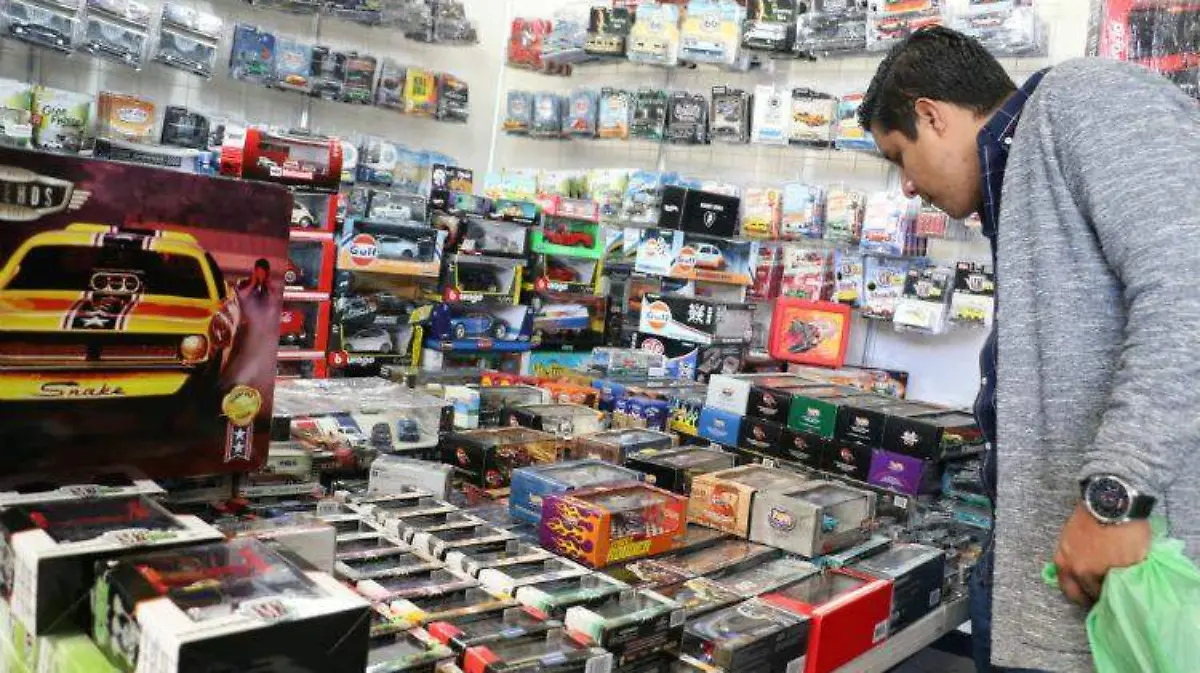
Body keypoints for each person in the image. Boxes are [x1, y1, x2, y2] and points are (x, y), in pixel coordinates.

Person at [859, 26, 1200, 673]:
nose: (907, 186)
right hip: (1048, 579)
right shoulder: (1020, 183)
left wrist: (1116, 496)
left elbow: (1189, 292)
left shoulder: (1084, 97)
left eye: (899, 156)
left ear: (930, 115)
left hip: (1119, 582)